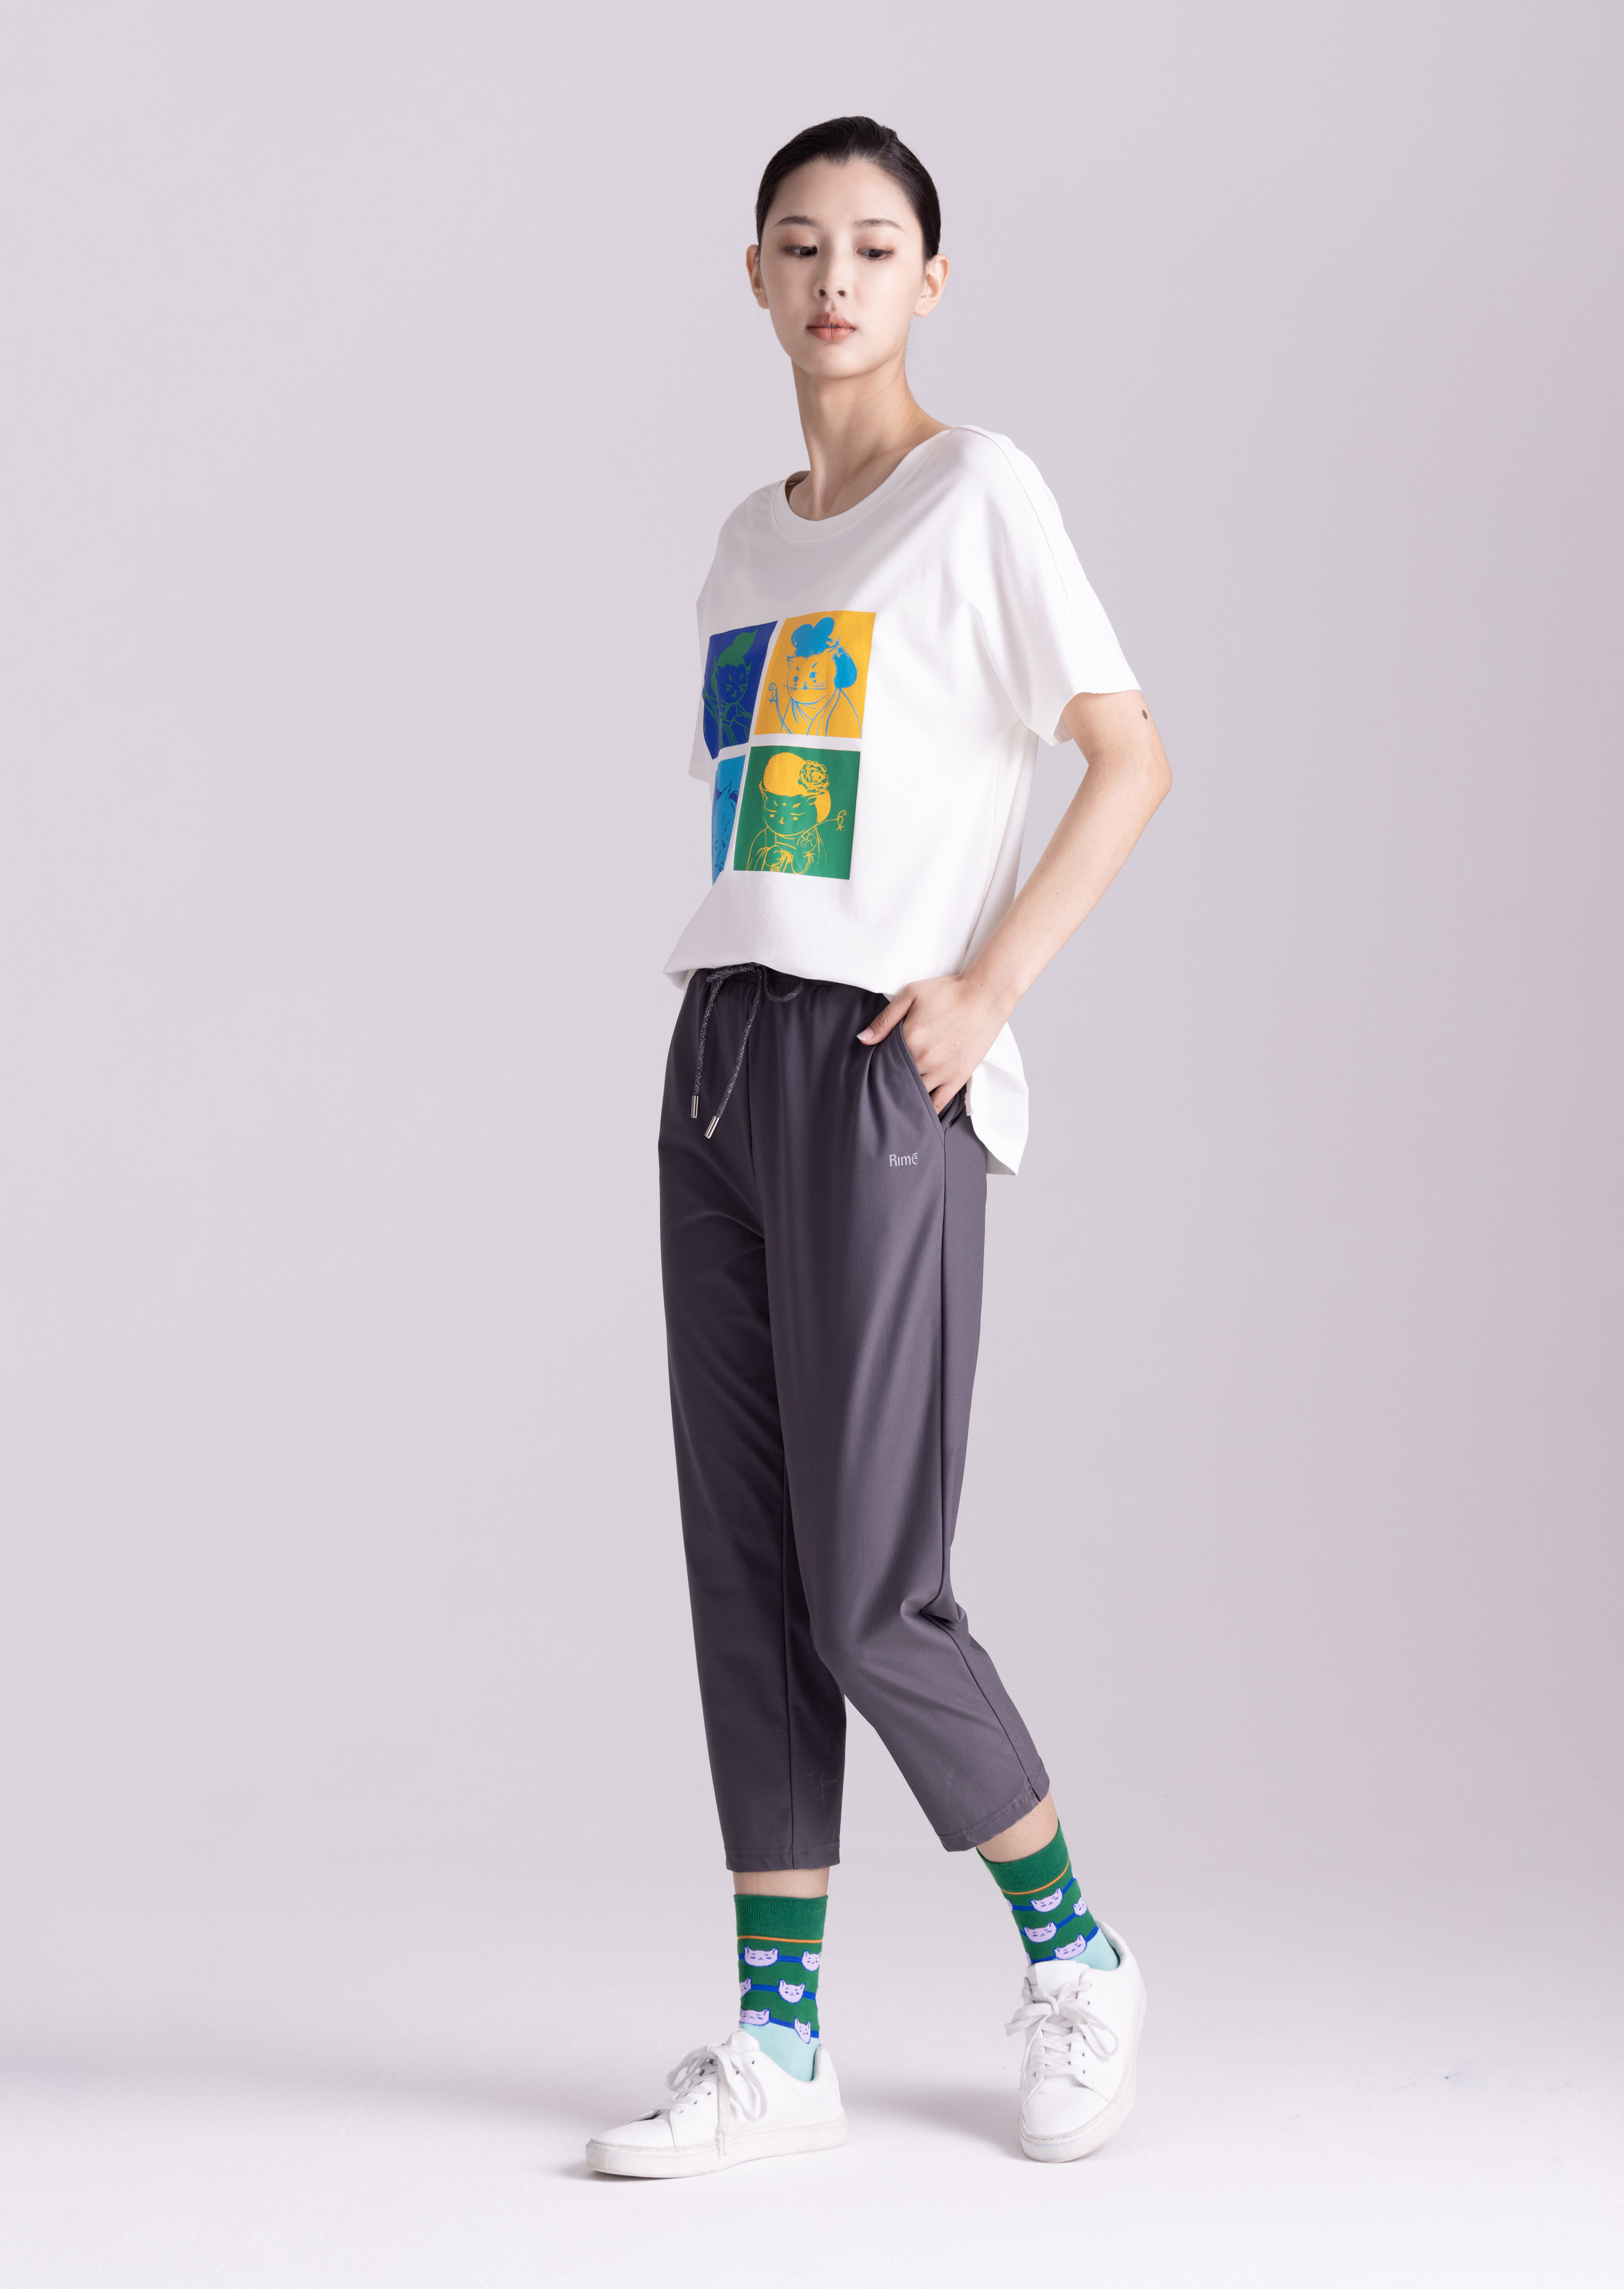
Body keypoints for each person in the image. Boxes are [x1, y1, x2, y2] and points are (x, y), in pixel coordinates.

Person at [587, 115, 1172, 2178]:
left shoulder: (978, 493)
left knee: (871, 1590)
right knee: (748, 1571)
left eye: (874, 243)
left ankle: (1079, 1950)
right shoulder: (745, 544)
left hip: (873, 1069)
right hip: (720, 1058)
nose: (835, 277)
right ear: (754, 277)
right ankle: (782, 2038)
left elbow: (1127, 754)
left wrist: (987, 990)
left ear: (931, 278)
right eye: (799, 243)